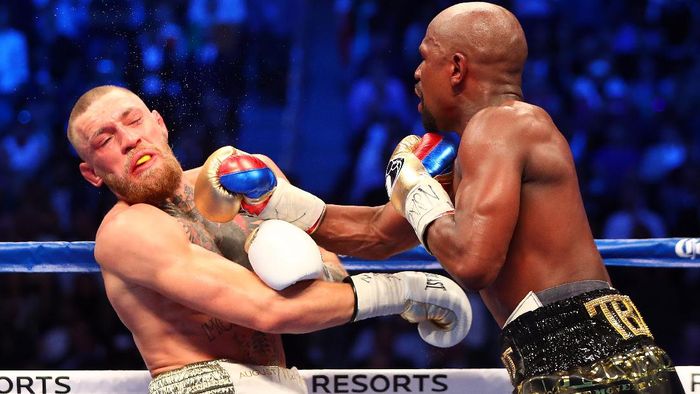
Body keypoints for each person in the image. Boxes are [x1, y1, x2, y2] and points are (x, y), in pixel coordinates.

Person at [200, 2, 684, 393]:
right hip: (571, 361)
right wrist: (275, 200)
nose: (415, 72)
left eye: (425, 55)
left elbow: (473, 261)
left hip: (591, 360)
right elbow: (376, 235)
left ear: (456, 68)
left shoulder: (503, 124)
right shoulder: (479, 147)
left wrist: (413, 186)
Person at [65, 85, 472, 394]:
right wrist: (404, 289)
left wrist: (287, 228)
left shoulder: (240, 178)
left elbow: (330, 272)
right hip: (201, 384)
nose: (128, 139)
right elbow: (267, 311)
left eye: (133, 121)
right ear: (92, 174)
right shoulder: (125, 232)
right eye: (104, 139)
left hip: (282, 381)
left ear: (159, 123)